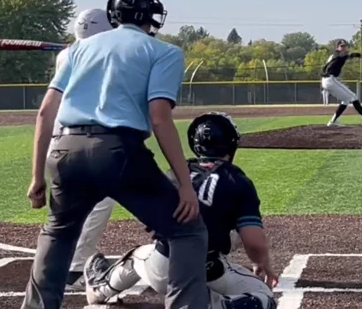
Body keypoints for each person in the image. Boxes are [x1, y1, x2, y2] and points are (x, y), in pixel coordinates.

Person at [21, 0, 208, 309]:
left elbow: (45, 112)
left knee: (58, 233)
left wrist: (37, 176)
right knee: (187, 231)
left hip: (64, 151)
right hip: (118, 152)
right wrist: (184, 185)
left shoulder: (77, 50)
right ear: (151, 16)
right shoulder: (164, 52)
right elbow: (160, 118)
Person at [83, 112, 278, 309]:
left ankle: (101, 288)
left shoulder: (176, 173)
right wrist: (262, 262)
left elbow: (150, 220)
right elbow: (254, 243)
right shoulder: (238, 180)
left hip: (162, 266)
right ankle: (214, 305)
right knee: (264, 297)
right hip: (209, 271)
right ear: (230, 144)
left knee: (137, 256)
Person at [49, 8, 117, 290]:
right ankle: (76, 268)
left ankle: (58, 263)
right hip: (87, 138)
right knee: (102, 200)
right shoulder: (104, 56)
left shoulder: (65, 55)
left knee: (68, 204)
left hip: (59, 139)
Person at [321, 39, 362, 127]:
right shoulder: (341, 54)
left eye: (344, 46)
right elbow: (353, 55)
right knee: (353, 96)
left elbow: (325, 67)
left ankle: (333, 121)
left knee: (346, 99)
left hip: (327, 80)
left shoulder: (333, 56)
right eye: (341, 46)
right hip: (330, 79)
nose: (343, 48)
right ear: (337, 47)